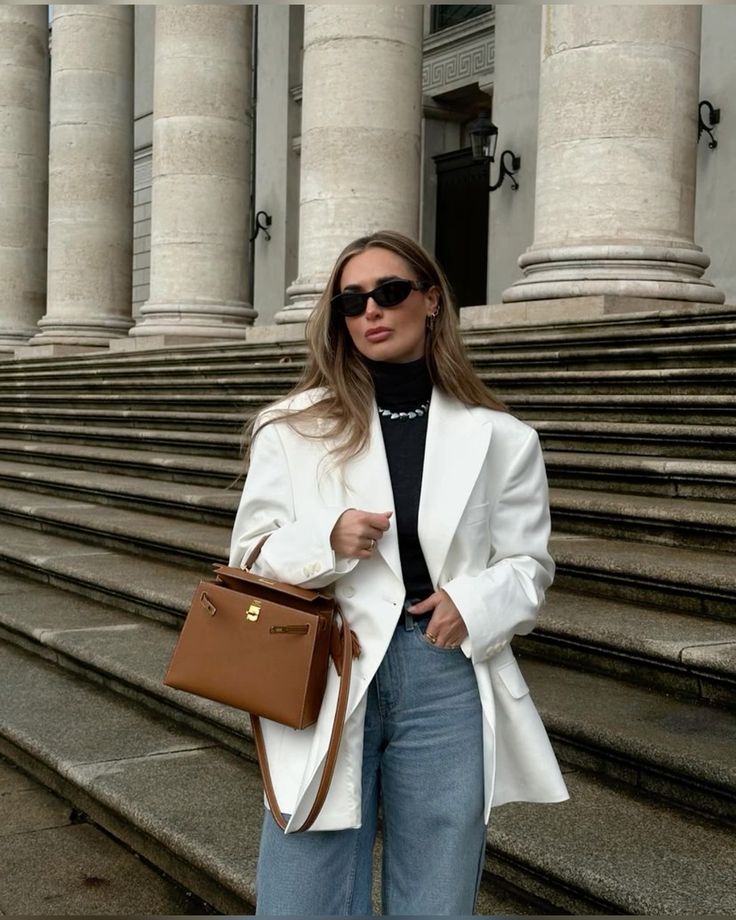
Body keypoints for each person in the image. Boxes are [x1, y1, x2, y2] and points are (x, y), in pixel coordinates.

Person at [229, 229, 568, 916]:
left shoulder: (502, 438)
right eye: (352, 303)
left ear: (432, 300)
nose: (371, 314)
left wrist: (473, 603)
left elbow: (530, 566)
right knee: (302, 887)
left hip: (444, 673)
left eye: (390, 293)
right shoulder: (291, 429)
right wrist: (326, 540)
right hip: (325, 665)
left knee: (437, 889)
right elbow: (249, 559)